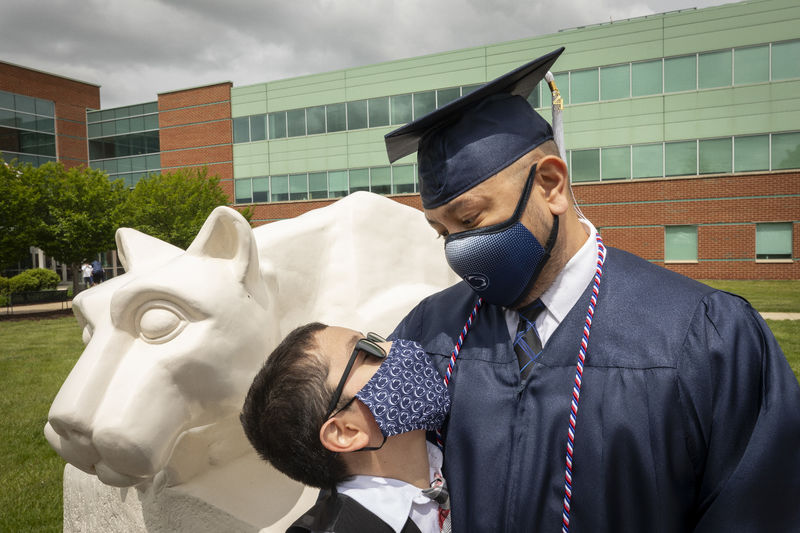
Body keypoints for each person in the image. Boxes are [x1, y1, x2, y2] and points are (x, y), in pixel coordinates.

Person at [384, 47, 800, 532]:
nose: (458, 249)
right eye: (442, 232)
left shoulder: (705, 338)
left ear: (552, 185)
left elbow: (760, 512)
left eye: (471, 220)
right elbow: (378, 481)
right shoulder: (427, 333)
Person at [241, 322, 453, 533]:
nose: (393, 346)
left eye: (374, 339)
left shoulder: (451, 463)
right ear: (346, 432)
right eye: (368, 352)